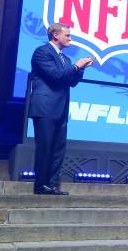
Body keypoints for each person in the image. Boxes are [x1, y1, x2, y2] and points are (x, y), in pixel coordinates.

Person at [29, 23, 94, 195]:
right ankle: (41, 185)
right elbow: (56, 76)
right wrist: (77, 66)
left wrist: (80, 69)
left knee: (58, 148)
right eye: (68, 35)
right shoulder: (42, 52)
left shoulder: (65, 59)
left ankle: (52, 185)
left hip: (60, 108)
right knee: (45, 147)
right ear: (56, 35)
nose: (70, 39)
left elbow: (71, 81)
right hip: (45, 107)